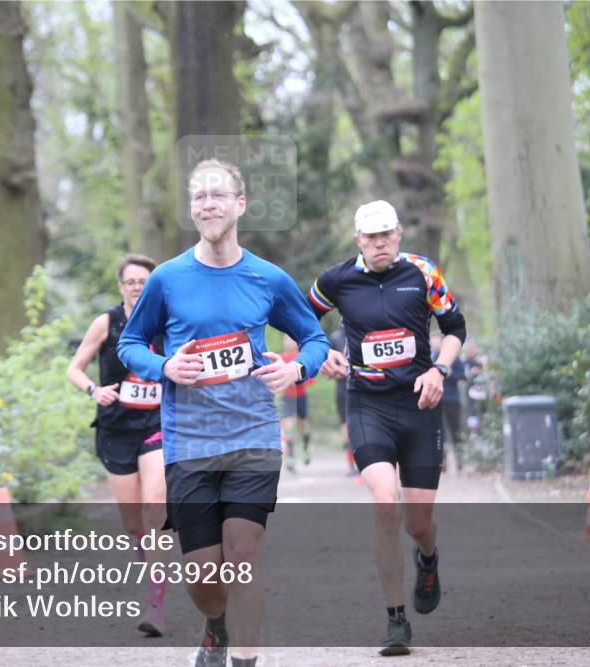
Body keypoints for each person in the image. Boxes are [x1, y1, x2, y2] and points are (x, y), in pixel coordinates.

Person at [118, 159, 329, 667]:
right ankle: (215, 626)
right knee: (205, 579)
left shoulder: (266, 278)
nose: (207, 204)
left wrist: (296, 369)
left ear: (240, 204)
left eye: (218, 195)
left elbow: (315, 338)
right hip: (189, 442)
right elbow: (130, 344)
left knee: (243, 557)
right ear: (192, 210)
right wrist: (165, 364)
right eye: (199, 197)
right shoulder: (167, 279)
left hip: (253, 436)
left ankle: (244, 661)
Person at [308, 200, 466, 656]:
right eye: (371, 237)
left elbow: (455, 327)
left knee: (418, 524)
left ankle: (428, 558)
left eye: (387, 235)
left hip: (419, 405)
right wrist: (319, 354)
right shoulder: (335, 280)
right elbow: (300, 321)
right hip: (367, 406)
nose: (380, 244)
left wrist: (439, 370)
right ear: (358, 240)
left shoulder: (423, 272)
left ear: (398, 234)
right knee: (383, 502)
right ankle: (396, 620)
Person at [66, 254, 168, 636]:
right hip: (115, 428)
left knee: (155, 508)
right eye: (131, 281)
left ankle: (155, 604)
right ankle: (150, 572)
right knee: (132, 523)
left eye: (144, 281)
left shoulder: (167, 321)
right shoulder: (106, 323)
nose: (138, 287)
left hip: (157, 424)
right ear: (120, 285)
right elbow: (74, 369)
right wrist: (94, 390)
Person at [278, 335, 316, 471]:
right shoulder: (280, 358)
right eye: (286, 339)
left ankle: (306, 449)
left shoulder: (301, 357)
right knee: (288, 428)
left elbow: (310, 378)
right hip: (287, 398)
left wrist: (297, 379)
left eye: (292, 339)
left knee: (304, 426)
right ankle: (291, 458)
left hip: (301, 397)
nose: (289, 342)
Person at [431, 333, 466, 472]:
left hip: (452, 400)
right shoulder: (430, 359)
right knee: (438, 432)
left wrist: (450, 373)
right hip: (435, 401)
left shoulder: (454, 359)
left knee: (455, 430)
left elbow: (462, 377)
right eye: (432, 343)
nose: (434, 345)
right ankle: (441, 462)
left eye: (436, 342)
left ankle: (459, 460)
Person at [328, 326, 357, 474]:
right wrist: (340, 372)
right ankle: (351, 463)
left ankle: (361, 462)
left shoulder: (360, 328)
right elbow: (329, 364)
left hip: (361, 384)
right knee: (345, 424)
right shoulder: (335, 337)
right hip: (342, 387)